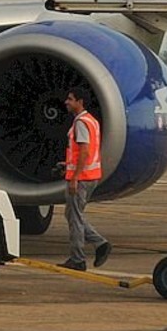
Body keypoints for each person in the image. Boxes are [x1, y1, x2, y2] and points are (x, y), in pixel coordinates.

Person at [59, 86, 110, 271]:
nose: (67, 102)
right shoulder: (92, 121)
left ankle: (78, 259)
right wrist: (68, 164)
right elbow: (84, 152)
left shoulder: (81, 122)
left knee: (75, 218)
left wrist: (74, 177)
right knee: (73, 214)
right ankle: (100, 244)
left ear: (80, 102)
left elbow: (85, 150)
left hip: (81, 178)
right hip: (91, 175)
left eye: (70, 99)